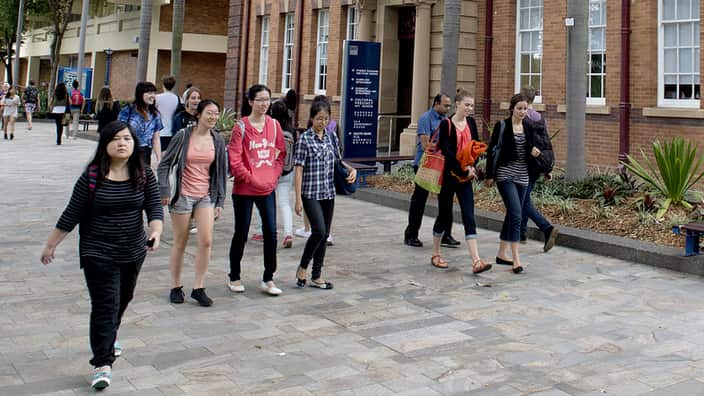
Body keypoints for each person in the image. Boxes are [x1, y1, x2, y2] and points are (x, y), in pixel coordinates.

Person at [40, 120, 163, 390]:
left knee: (123, 299)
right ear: (105, 144)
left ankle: (108, 337)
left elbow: (154, 208)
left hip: (132, 250)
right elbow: (71, 214)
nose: (122, 143)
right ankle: (102, 363)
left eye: (127, 139)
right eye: (117, 139)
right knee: (106, 304)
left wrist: (155, 231)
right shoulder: (92, 176)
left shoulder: (144, 174)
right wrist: (51, 245)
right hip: (97, 251)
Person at [158, 99, 228, 307]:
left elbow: (222, 173)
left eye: (216, 113)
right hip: (183, 195)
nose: (213, 117)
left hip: (205, 195)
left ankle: (198, 287)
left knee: (206, 241)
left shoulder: (218, 140)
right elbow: (164, 165)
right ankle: (176, 286)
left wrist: (220, 200)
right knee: (181, 240)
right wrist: (164, 189)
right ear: (198, 115)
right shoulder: (183, 136)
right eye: (209, 113)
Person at [227, 84, 286, 296]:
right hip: (244, 190)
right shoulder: (240, 127)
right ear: (250, 101)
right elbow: (234, 159)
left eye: (267, 99)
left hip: (267, 188)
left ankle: (268, 278)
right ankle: (234, 276)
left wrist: (274, 174)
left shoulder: (275, 125)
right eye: (260, 99)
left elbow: (281, 153)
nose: (264, 104)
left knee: (271, 232)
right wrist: (250, 178)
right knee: (241, 233)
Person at [293, 99, 357, 290]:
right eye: (319, 118)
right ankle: (303, 266)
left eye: (326, 119)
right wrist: (298, 199)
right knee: (318, 231)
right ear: (312, 118)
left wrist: (351, 169)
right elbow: (298, 169)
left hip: (328, 192)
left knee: (325, 234)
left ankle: (316, 275)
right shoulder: (305, 139)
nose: (322, 122)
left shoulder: (331, 137)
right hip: (310, 192)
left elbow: (338, 160)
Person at [428, 90, 490, 273]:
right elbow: (447, 152)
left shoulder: (470, 123)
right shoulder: (447, 125)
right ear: (457, 105)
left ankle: (476, 260)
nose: (470, 109)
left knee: (469, 216)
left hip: (466, 178)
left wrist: (472, 166)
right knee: (444, 215)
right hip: (449, 177)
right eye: (467, 105)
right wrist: (462, 169)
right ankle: (435, 253)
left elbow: (476, 147)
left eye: (472, 105)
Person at [486, 93, 543, 274]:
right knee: (517, 214)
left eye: (525, 109)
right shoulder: (502, 126)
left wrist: (535, 154)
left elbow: (534, 149)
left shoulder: (529, 127)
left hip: (523, 176)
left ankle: (502, 254)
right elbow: (492, 151)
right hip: (505, 175)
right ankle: (516, 259)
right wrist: (489, 175)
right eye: (519, 108)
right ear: (512, 109)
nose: (522, 112)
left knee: (512, 214)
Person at [403, 93, 461, 248]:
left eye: (450, 105)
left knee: (446, 201)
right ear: (436, 104)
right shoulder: (425, 118)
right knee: (419, 201)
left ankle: (445, 234)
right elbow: (425, 145)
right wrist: (444, 147)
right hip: (425, 165)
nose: (448, 108)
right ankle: (411, 235)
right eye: (446, 105)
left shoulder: (447, 121)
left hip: (443, 166)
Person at [519, 86, 559, 252]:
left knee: (522, 200)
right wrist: (547, 168)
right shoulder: (541, 118)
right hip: (537, 165)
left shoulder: (521, 115)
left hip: (523, 164)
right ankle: (521, 234)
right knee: (524, 198)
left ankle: (547, 228)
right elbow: (546, 143)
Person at [119, 82, 163, 166]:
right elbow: (119, 131)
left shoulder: (155, 114)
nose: (153, 96)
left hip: (145, 154)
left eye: (154, 93)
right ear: (140, 94)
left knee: (143, 177)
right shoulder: (128, 111)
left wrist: (159, 158)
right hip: (129, 151)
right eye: (149, 93)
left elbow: (156, 138)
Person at [155, 75, 180, 150]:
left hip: (160, 131)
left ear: (163, 85)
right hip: (173, 131)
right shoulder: (178, 98)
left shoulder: (157, 98)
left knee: (161, 155)